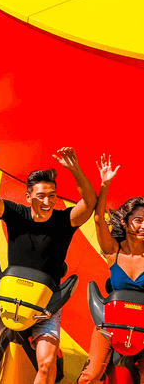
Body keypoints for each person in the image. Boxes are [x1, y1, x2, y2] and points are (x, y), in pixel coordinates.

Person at [0, 142, 97, 384]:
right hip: (7, 297)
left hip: (45, 304)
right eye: (41, 196)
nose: (47, 202)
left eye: (52, 196)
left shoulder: (64, 221)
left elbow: (89, 202)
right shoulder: (16, 214)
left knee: (46, 363)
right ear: (28, 196)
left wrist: (75, 170)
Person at [77, 157, 144, 384]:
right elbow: (98, 219)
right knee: (91, 375)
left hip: (142, 327)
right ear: (125, 222)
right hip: (110, 324)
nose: (143, 225)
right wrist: (105, 184)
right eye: (139, 220)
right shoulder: (113, 252)